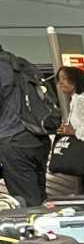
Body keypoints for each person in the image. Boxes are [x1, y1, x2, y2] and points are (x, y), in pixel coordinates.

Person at [0, 44, 48, 206]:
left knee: (27, 203)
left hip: (14, 140)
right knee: (39, 198)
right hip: (38, 137)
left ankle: (36, 229)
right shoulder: (21, 64)